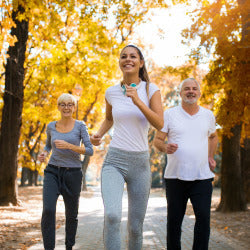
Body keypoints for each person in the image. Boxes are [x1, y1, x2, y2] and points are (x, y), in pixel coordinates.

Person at [90, 45, 164, 250]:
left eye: (133, 56)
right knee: (112, 216)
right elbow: (108, 119)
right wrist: (98, 134)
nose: (128, 59)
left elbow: (160, 124)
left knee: (135, 227)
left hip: (140, 163)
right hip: (115, 160)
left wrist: (138, 101)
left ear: (141, 63)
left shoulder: (151, 89)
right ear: (120, 62)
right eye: (124, 56)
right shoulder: (111, 92)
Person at [154, 78, 218, 250]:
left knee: (204, 219)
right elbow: (157, 141)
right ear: (180, 93)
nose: (191, 91)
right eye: (187, 89)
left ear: (199, 93)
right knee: (174, 222)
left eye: (194, 89)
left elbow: (213, 136)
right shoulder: (169, 114)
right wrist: (165, 147)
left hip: (202, 177)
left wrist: (210, 156)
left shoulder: (208, 115)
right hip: (175, 177)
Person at [38, 93, 93, 250]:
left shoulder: (80, 126)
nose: (66, 107)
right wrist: (44, 153)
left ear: (74, 108)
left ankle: (69, 246)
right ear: (58, 107)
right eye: (63, 104)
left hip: (73, 173)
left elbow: (90, 150)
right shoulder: (51, 126)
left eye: (70, 104)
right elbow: (48, 145)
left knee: (71, 215)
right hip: (52, 172)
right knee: (48, 210)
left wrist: (70, 146)